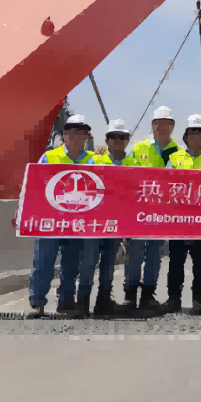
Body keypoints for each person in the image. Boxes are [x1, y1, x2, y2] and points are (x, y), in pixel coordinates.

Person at [27, 114, 95, 318]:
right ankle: (37, 302)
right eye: (73, 131)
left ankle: (65, 302)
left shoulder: (93, 161)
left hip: (77, 223)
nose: (77, 136)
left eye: (82, 132)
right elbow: (34, 186)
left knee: (71, 265)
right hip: (50, 221)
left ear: (87, 136)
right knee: (43, 262)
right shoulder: (49, 157)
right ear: (64, 133)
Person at [122, 106, 183, 315]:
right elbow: (123, 175)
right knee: (134, 253)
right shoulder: (139, 148)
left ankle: (148, 295)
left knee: (154, 255)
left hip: (162, 213)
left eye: (166, 124)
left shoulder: (179, 152)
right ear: (152, 126)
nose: (162, 128)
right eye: (158, 124)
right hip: (138, 212)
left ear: (172, 127)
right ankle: (130, 295)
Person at [73, 120, 130, 318]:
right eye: (113, 137)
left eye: (122, 137)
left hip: (117, 223)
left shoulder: (134, 164)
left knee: (108, 263)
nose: (118, 140)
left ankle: (103, 300)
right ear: (107, 140)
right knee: (88, 261)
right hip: (95, 222)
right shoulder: (95, 161)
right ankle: (82, 301)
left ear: (127, 140)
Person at [164, 114, 201, 314]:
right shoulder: (175, 158)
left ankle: (199, 299)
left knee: (200, 262)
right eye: (192, 134)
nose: (196, 138)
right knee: (176, 261)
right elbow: (165, 184)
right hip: (179, 221)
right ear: (185, 137)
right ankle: (173, 299)